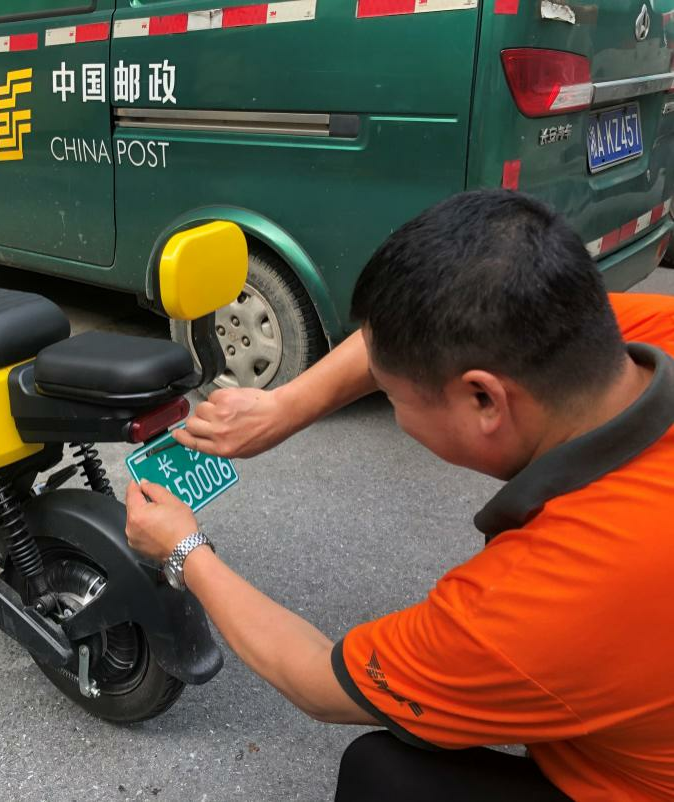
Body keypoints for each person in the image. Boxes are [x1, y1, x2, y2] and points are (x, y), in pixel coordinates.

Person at [123, 190, 674, 801]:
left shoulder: (545, 600)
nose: (394, 409)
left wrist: (184, 549)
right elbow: (407, 331)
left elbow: (317, 682)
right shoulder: (605, 335)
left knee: (382, 775)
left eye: (394, 397)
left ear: (485, 401)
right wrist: (282, 409)